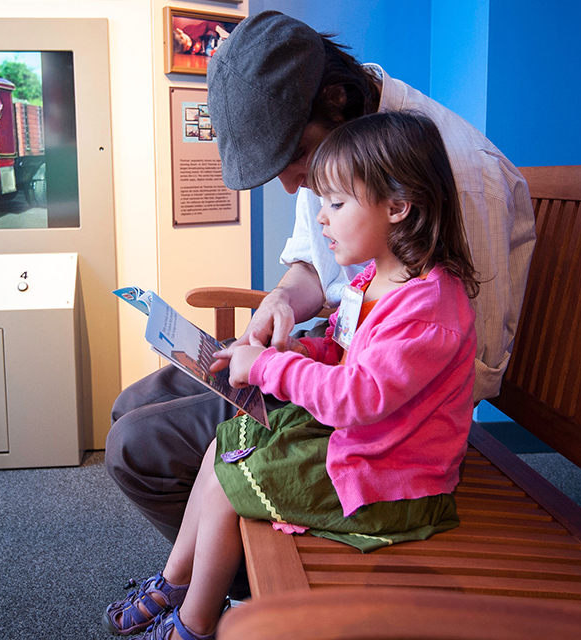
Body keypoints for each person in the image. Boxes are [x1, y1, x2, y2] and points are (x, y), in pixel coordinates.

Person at [105, 10, 536, 550]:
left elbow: (476, 364)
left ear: (336, 97)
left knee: (135, 444)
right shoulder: (342, 150)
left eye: (296, 158)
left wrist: (302, 392)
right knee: (133, 405)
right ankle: (224, 567)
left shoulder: (463, 177)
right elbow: (315, 263)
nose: (293, 188)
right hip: (337, 368)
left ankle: (238, 591)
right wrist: (283, 301)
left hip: (378, 420)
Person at [103, 112, 479, 639]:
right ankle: (177, 580)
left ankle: (194, 624)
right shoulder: (375, 279)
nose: (320, 219)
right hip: (365, 445)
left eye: (336, 203)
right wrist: (300, 347)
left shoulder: (429, 305)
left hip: (392, 479)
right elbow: (344, 350)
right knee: (222, 447)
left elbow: (358, 396)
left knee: (229, 480)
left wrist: (270, 366)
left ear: (397, 207)